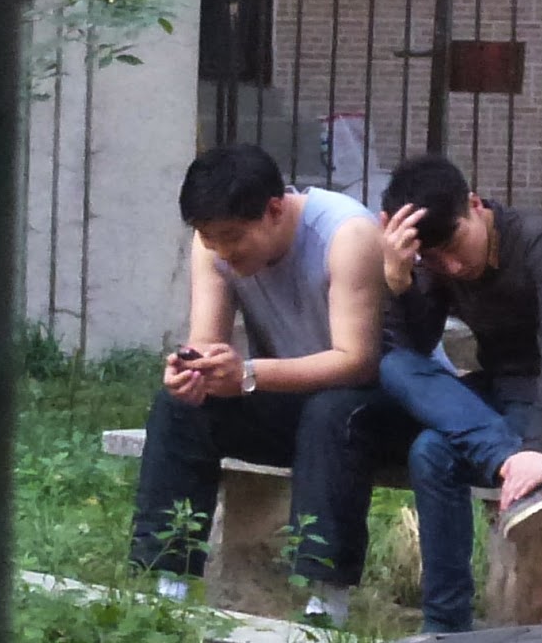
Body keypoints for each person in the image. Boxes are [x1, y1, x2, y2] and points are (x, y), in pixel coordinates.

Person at [128, 144, 398, 623]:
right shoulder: (213, 247)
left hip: (381, 403)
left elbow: (357, 361)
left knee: (330, 412)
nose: (223, 252)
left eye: (233, 238)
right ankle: (167, 583)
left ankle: (325, 602)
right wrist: (193, 372)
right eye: (209, 239)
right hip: (295, 398)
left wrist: (249, 374)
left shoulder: (347, 234)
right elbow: (207, 342)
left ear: (275, 209)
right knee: (181, 407)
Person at [378, 153, 542, 634]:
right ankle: (447, 627)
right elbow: (416, 347)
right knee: (396, 370)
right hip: (501, 406)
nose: (451, 265)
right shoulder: (439, 262)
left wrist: (541, 446)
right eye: (432, 258)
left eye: (453, 245)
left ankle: (446, 621)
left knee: (430, 450)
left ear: (474, 204)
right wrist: (400, 282)